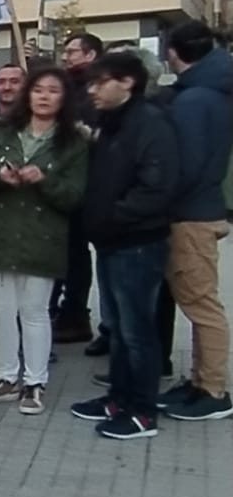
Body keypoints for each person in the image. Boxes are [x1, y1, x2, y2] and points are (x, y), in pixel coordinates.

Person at [69, 49, 179, 440]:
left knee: (137, 332)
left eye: (100, 83)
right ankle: (118, 398)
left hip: (137, 244)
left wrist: (111, 216)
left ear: (128, 82)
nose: (92, 91)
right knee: (118, 329)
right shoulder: (112, 123)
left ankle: (143, 412)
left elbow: (157, 188)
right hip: (112, 242)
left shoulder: (150, 124)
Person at [0, 68, 88, 415]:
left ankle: (35, 382)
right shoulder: (3, 131)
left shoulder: (73, 141)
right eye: (38, 90)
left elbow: (74, 196)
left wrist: (44, 179)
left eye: (53, 90)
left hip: (42, 236)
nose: (44, 96)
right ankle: (7, 377)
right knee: (0, 312)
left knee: (34, 312)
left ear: (64, 98)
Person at [157, 22, 233, 420]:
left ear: (173, 53)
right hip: (203, 209)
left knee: (201, 304)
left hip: (190, 214)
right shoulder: (211, 92)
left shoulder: (193, 100)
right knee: (200, 300)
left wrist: (159, 199)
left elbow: (183, 165)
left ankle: (214, 389)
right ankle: (202, 379)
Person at [52, 32, 104, 347]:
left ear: (91, 54)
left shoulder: (92, 91)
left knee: (75, 254)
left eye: (72, 51)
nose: (67, 56)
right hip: (65, 179)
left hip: (86, 182)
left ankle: (75, 314)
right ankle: (66, 311)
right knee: (66, 252)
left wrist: (83, 132)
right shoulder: (69, 86)